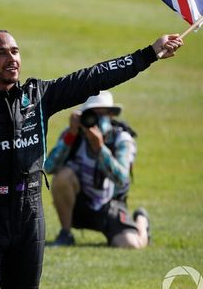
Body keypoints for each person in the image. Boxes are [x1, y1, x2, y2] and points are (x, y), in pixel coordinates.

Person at [0, 30, 182, 289]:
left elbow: (94, 77)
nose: (11, 59)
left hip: (30, 215)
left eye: (15, 51)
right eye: (1, 53)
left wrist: (150, 54)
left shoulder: (39, 96)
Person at [44, 91, 149, 249]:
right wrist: (70, 136)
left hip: (110, 204)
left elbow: (121, 178)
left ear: (111, 116)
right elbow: (49, 167)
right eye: (93, 113)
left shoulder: (122, 139)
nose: (97, 120)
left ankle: (141, 220)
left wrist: (100, 149)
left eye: (103, 113)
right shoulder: (73, 134)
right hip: (81, 202)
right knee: (62, 177)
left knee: (130, 244)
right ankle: (65, 234)